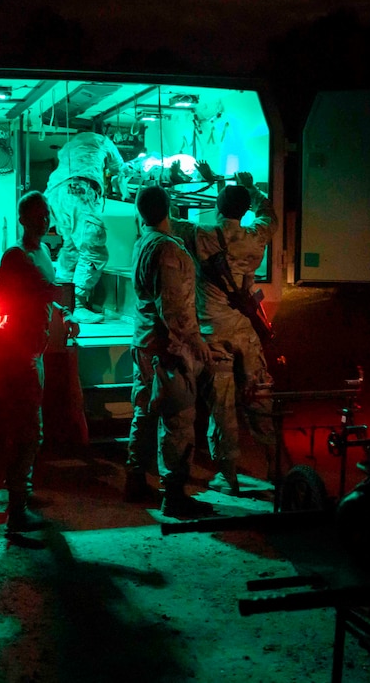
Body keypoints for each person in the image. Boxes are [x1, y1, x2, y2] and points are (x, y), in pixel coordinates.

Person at [169, 173, 278, 496]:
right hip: (245, 331)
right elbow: (269, 215)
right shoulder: (255, 237)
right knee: (259, 396)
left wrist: (162, 191)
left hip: (213, 332)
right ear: (244, 211)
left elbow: (164, 221)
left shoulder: (202, 236)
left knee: (223, 404)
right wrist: (252, 187)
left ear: (216, 207)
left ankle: (227, 475)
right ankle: (274, 465)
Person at [0, 191, 80, 537]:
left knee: (26, 428)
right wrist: (49, 296)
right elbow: (6, 301)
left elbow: (52, 293)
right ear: (23, 218)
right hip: (16, 352)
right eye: (37, 215)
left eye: (46, 215)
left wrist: (65, 311)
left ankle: (18, 494)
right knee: (28, 430)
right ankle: (17, 512)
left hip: (32, 351)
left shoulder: (43, 252)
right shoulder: (16, 255)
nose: (43, 220)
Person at [123, 186, 213, 518]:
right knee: (177, 420)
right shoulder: (168, 250)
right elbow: (173, 310)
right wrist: (195, 342)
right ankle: (173, 495)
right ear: (169, 208)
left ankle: (135, 479)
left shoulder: (142, 243)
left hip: (144, 345)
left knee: (143, 413)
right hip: (168, 351)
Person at [44, 131, 129, 323]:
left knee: (71, 246)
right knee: (93, 248)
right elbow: (120, 170)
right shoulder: (105, 141)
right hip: (79, 190)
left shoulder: (70, 146)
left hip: (56, 193)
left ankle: (63, 300)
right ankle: (79, 303)